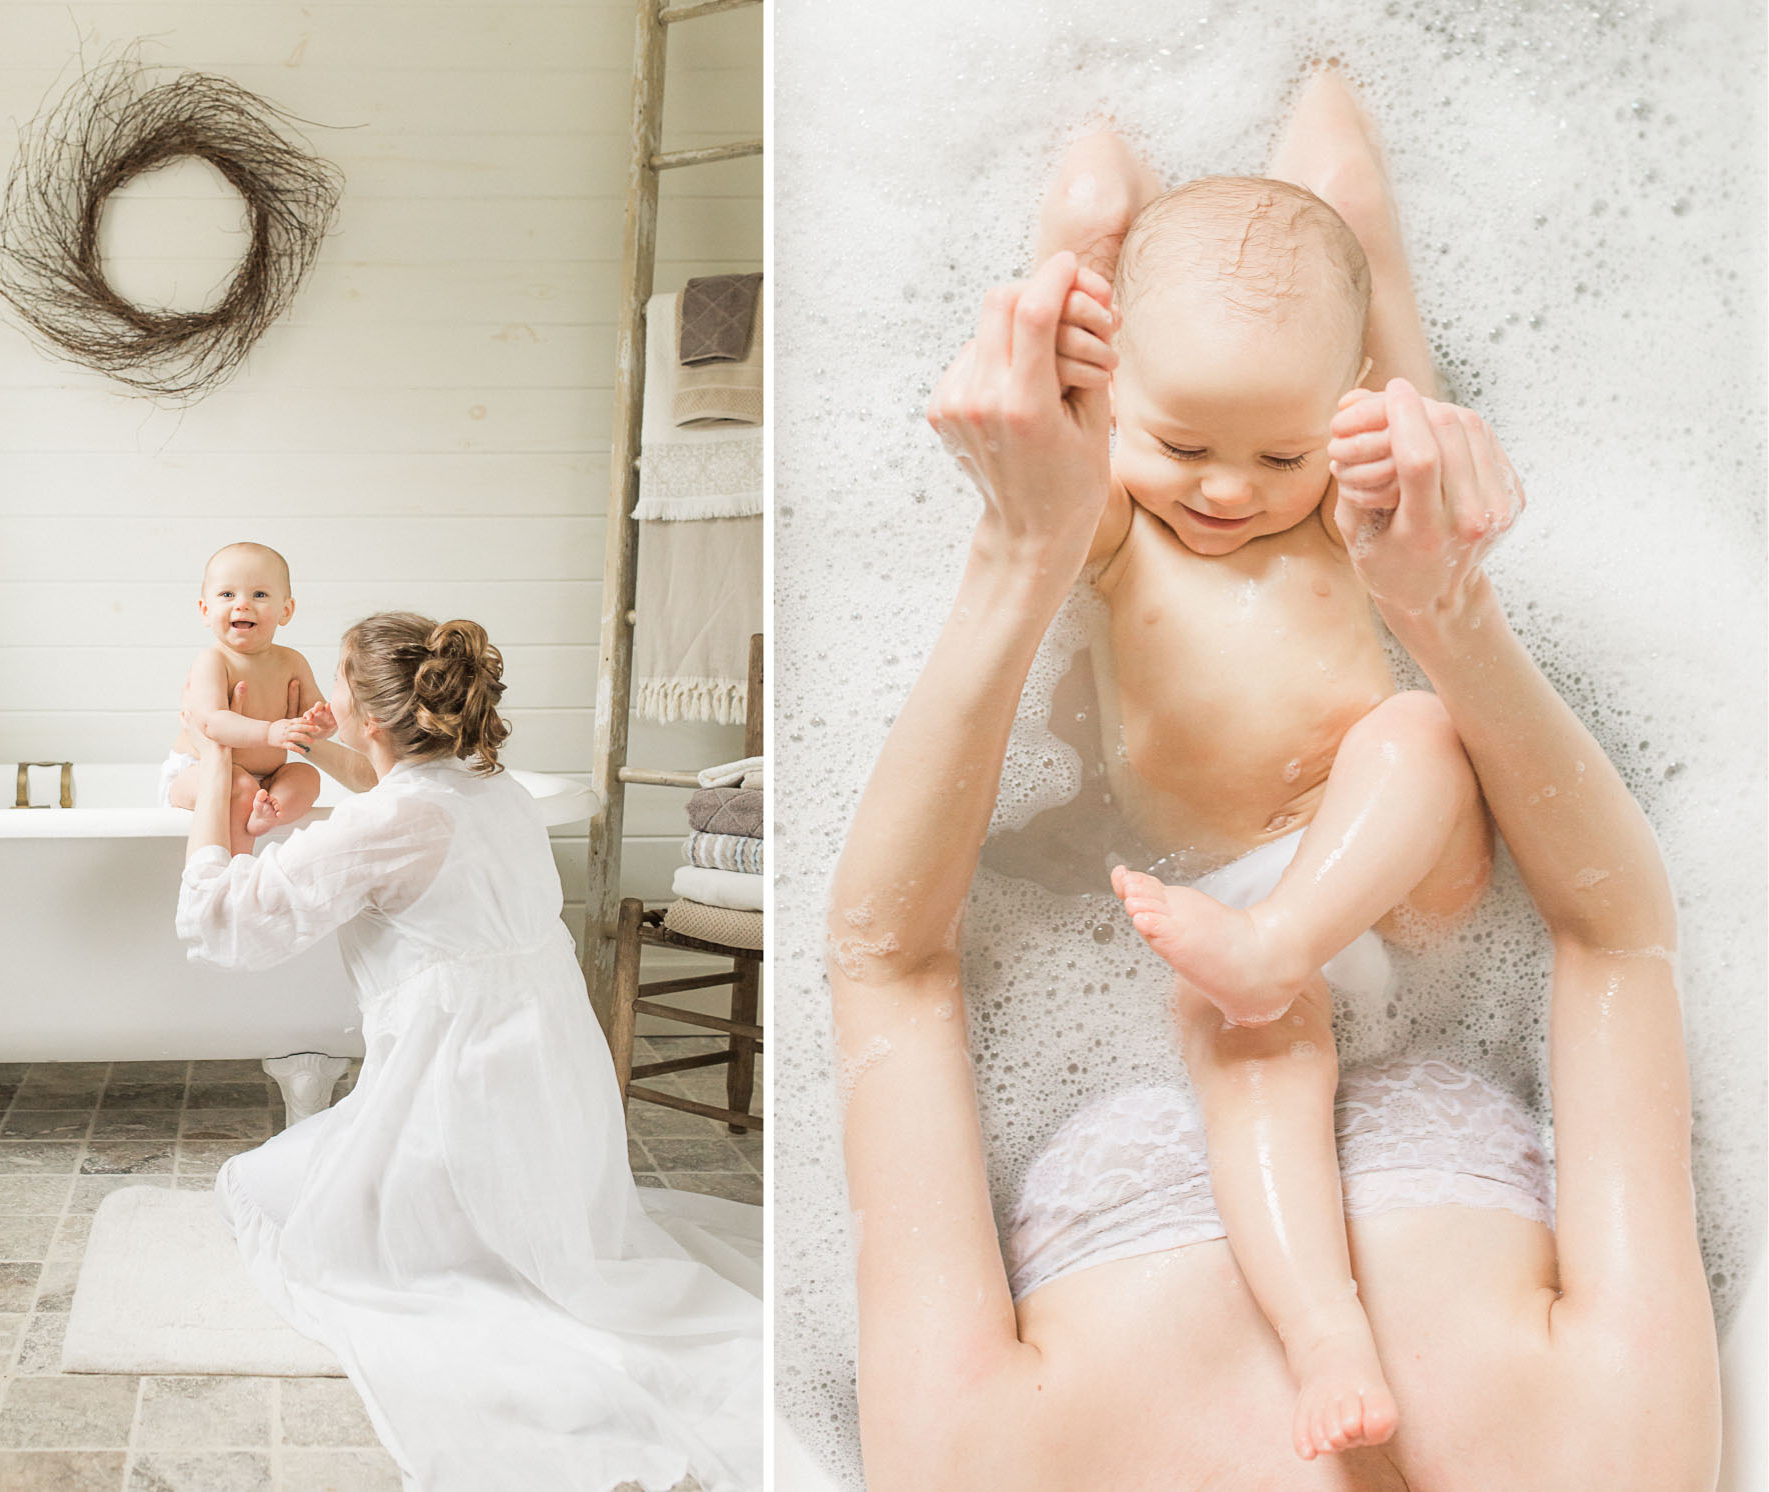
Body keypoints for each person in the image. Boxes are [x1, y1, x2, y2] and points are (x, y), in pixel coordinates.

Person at [826, 93, 1718, 1492]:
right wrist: (1450, 609)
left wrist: (1021, 544)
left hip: (1267, 917)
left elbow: (889, 968)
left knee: (1343, 849)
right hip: (1316, 883)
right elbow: (1616, 939)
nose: (1228, 489)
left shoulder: (990, 1463)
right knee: (1405, 731)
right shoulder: (1607, 1458)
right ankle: (1334, 142)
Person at [1005, 74, 1500, 1454]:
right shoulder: (1107, 529)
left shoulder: (1351, 509)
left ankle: (1282, 945)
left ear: (1334, 414)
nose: (1228, 490)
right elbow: (1041, 382)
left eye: (1278, 452)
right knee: (1252, 1055)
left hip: (1395, 871)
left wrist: (1332, 183)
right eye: (1183, 447)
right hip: (1228, 898)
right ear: (1116, 407)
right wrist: (1088, 236)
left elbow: (1354, 216)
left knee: (1416, 733)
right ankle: (1327, 1332)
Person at [174, 612, 763, 1492]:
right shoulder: (492, 788)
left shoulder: (393, 822)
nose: (328, 701)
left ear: (372, 719)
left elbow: (223, 922)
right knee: (294, 1185)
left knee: (277, 1201)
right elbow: (392, 797)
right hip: (550, 1083)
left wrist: (218, 775)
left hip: (452, 1090)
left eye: (340, 687)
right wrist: (332, 750)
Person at [161, 541, 334, 853]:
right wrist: (269, 732)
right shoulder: (213, 661)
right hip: (201, 772)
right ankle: (234, 871)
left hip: (266, 778)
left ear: (286, 610)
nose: (242, 604)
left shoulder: (293, 661)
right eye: (228, 594)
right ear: (205, 610)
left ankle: (267, 812)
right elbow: (212, 724)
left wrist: (322, 722)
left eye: (259, 595)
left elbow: (313, 719)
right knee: (238, 785)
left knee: (306, 776)